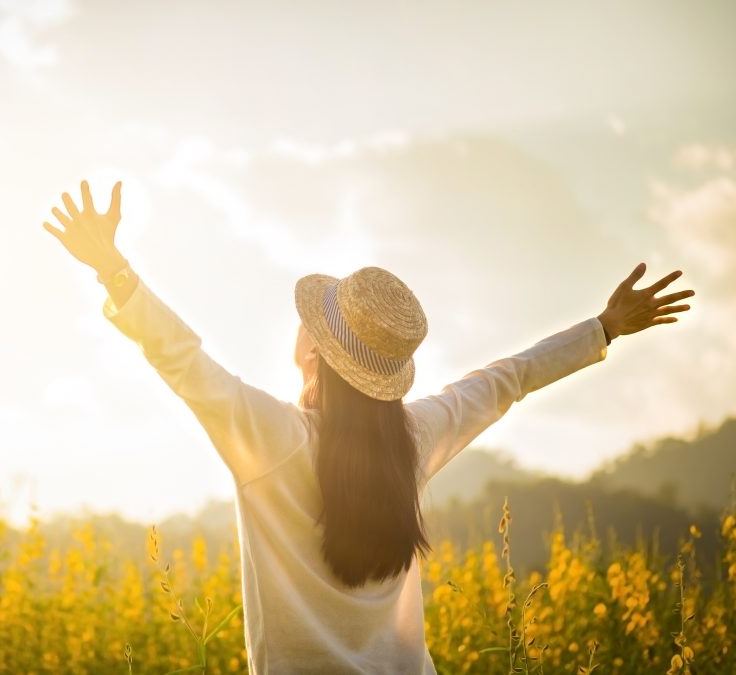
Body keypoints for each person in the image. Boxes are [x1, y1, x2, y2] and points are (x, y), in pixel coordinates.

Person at [42, 179, 696, 674]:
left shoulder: (271, 439)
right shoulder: (412, 439)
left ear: (314, 354)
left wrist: (113, 269)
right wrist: (604, 327)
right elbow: (507, 379)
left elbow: (180, 359)